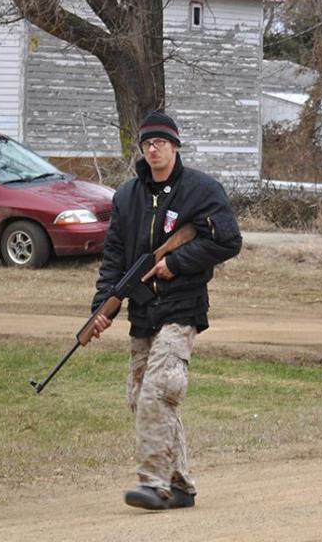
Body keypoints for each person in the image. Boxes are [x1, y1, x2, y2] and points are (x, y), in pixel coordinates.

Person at [89, 109, 242, 510]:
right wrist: (101, 307)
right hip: (143, 311)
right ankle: (181, 485)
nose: (153, 149)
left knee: (160, 390)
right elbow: (114, 259)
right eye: (147, 143)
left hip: (182, 306)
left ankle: (153, 483)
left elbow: (227, 241)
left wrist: (175, 263)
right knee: (139, 396)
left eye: (161, 142)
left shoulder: (201, 190)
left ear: (175, 146)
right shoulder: (126, 197)